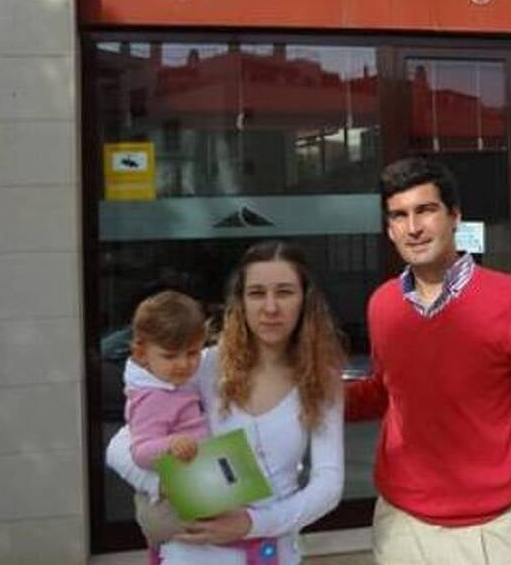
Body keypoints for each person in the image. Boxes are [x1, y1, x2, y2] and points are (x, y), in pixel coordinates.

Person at [346, 157, 511, 565]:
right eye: (399, 215)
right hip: (400, 527)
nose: (413, 227)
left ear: (454, 216)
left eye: (425, 210)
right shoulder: (383, 304)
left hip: (488, 532)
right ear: (389, 229)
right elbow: (386, 390)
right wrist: (310, 397)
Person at [107, 240, 347, 565]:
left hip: (272, 555)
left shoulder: (322, 378)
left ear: (305, 300)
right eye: (257, 293)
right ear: (241, 301)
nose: (271, 307)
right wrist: (168, 484)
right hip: (189, 555)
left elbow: (328, 486)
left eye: (285, 292)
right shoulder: (201, 365)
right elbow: (120, 447)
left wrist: (252, 524)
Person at [121, 290, 215, 565]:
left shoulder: (170, 383)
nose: (184, 364)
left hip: (186, 487)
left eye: (193, 353)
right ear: (142, 353)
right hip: (170, 502)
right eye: (170, 355)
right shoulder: (153, 397)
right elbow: (140, 452)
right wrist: (171, 445)